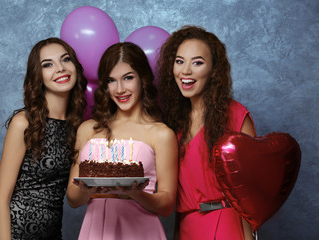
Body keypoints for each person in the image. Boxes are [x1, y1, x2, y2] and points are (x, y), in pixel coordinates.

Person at [66, 42, 178, 240]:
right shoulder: (88, 130)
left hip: (141, 231)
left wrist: (135, 194)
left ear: (143, 79)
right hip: (95, 230)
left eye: (128, 78)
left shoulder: (161, 134)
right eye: (111, 80)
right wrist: (87, 190)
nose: (120, 89)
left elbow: (168, 205)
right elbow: (73, 199)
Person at [157, 26, 257, 240]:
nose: (185, 71)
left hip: (226, 226)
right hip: (187, 228)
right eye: (179, 61)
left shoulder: (237, 116)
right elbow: (177, 199)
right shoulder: (173, 125)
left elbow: (250, 196)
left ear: (214, 70)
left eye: (197, 62)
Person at [0, 37, 87, 240]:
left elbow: (73, 197)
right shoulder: (24, 122)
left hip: (52, 234)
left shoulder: (78, 127)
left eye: (65, 60)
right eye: (48, 65)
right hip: (12, 233)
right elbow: (0, 200)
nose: (60, 68)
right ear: (37, 76)